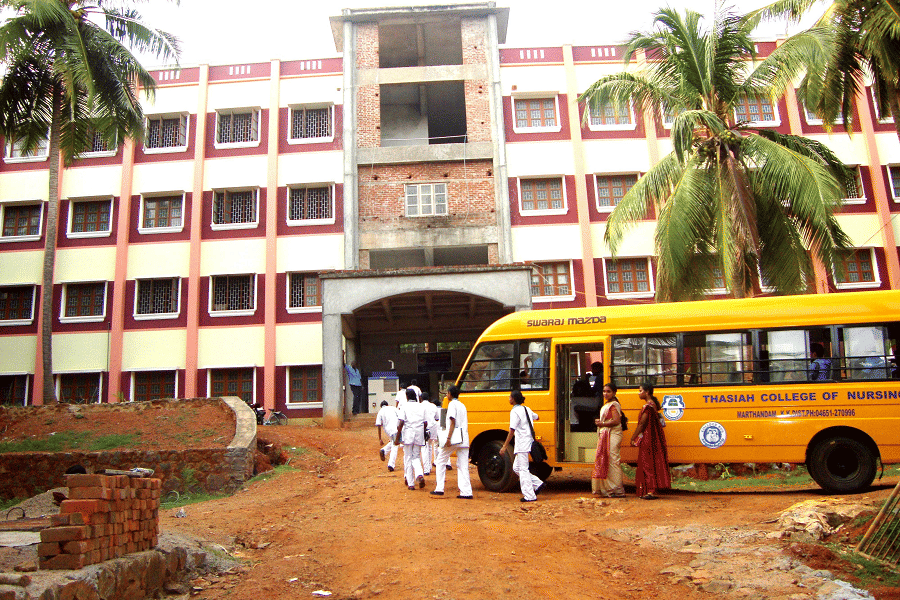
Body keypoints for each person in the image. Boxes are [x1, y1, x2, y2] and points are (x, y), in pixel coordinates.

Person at [499, 390, 543, 502]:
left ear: (513, 399)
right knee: (516, 468)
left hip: (522, 443)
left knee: (522, 469)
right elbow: (537, 417)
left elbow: (511, 430)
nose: (509, 398)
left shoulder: (515, 412)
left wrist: (504, 446)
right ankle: (537, 484)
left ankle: (529, 495)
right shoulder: (526, 409)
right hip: (529, 441)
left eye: (510, 397)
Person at [630, 383, 671, 500]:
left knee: (647, 463)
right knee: (650, 462)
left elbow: (642, 424)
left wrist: (633, 437)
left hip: (648, 438)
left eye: (640, 390)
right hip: (653, 437)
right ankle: (649, 490)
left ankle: (650, 490)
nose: (639, 393)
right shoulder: (652, 405)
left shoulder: (648, 407)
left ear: (647, 392)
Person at [431, 385, 473, 499]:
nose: (446, 395)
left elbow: (452, 422)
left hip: (454, 438)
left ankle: (439, 488)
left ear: (450, 393)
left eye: (447, 393)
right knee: (463, 465)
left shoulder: (452, 405)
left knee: (440, 461)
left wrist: (448, 438)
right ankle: (466, 491)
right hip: (464, 438)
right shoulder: (462, 405)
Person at [592, 382, 625, 498]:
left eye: (608, 391)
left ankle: (617, 489)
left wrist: (602, 424)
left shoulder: (614, 405)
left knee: (613, 460)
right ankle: (608, 489)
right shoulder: (608, 404)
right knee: (607, 460)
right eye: (604, 391)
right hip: (607, 434)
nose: (605, 394)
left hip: (613, 434)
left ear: (614, 393)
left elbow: (616, 421)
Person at [394, 388, 427, 490]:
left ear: (407, 396)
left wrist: (397, 437)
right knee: (416, 456)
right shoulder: (421, 406)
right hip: (419, 433)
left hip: (408, 433)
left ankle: (411, 484)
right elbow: (425, 423)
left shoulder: (404, 406)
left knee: (408, 457)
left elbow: (401, 423)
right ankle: (419, 474)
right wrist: (422, 432)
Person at [374, 400, 400, 472]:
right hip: (395, 428)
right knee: (395, 446)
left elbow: (378, 425)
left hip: (388, 431)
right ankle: (391, 464)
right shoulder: (393, 408)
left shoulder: (380, 411)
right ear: (387, 404)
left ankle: (384, 450)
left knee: (393, 442)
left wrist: (380, 438)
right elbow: (400, 416)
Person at [420, 392, 439, 475]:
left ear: (421, 398)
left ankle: (426, 469)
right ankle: (429, 467)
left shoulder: (419, 406)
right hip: (433, 428)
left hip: (424, 428)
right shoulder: (433, 406)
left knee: (424, 448)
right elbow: (437, 418)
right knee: (430, 446)